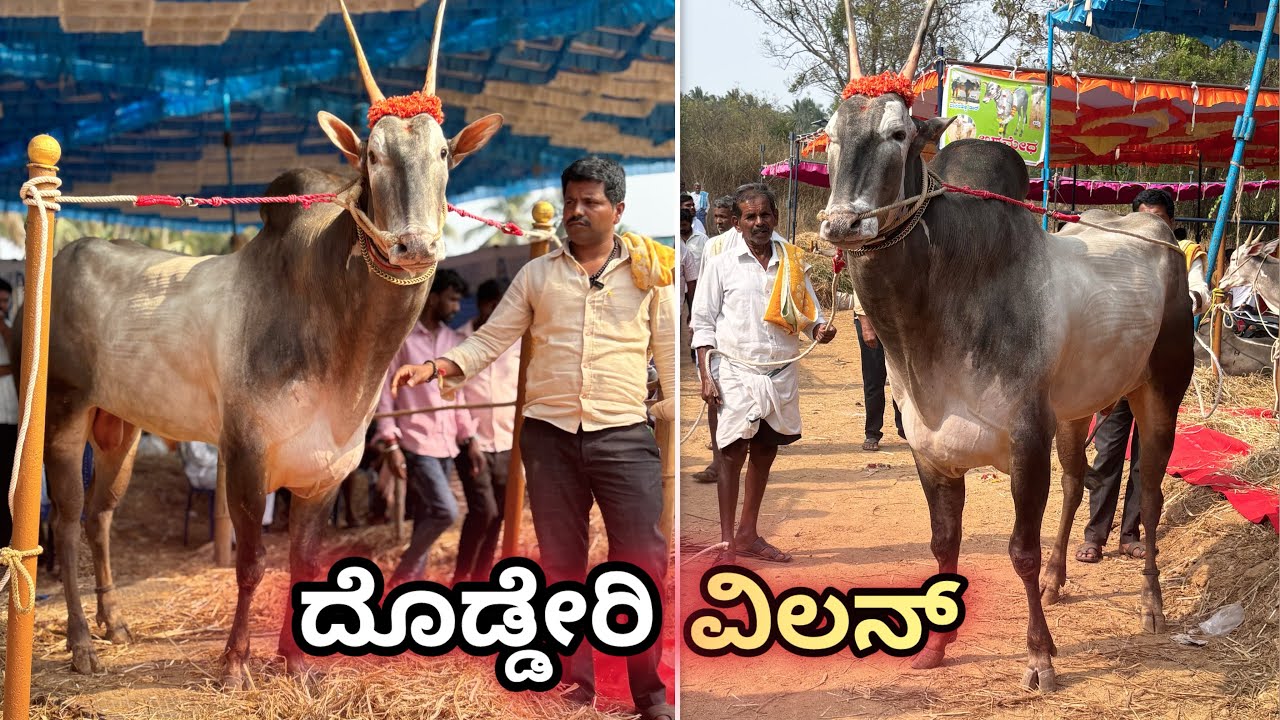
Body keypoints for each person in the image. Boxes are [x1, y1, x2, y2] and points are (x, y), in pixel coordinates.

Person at [391, 157, 675, 720]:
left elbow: (667, 357)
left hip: (623, 435)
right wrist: (439, 368)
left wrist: (668, 408)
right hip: (549, 440)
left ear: (618, 210)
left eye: (589, 202)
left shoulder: (651, 273)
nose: (574, 212)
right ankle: (578, 680)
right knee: (564, 563)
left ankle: (650, 692)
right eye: (569, 201)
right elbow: (490, 340)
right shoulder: (539, 275)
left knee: (642, 561)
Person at [691, 183, 836, 564]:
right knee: (731, 454)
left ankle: (748, 534)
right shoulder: (721, 262)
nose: (759, 222)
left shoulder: (791, 260)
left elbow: (809, 313)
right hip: (735, 371)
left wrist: (819, 330)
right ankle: (726, 544)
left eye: (765, 215)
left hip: (780, 371)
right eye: (750, 216)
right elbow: (702, 323)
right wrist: (707, 376)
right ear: (737, 223)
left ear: (775, 218)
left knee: (765, 452)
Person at [1076, 188, 1204, 564]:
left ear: (1171, 223)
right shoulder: (1119, 252)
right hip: (1119, 365)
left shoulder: (1184, 254)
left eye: (1158, 219)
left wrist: (1175, 303)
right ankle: (1095, 535)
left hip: (1161, 370)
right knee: (1107, 452)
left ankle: (1130, 534)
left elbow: (1201, 294)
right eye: (1143, 217)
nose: (1149, 226)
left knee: (1148, 457)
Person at [375, 269, 484, 587]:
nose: (456, 307)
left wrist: (469, 436)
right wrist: (391, 444)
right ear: (433, 297)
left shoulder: (452, 341)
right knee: (446, 511)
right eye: (451, 299)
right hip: (415, 441)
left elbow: (457, 393)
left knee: (427, 515)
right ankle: (401, 577)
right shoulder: (403, 338)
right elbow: (385, 392)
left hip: (447, 443)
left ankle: (411, 587)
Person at [452, 278, 520, 584]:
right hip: (473, 444)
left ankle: (479, 578)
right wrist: (470, 438)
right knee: (484, 511)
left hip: (508, 442)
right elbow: (453, 395)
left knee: (500, 514)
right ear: (487, 305)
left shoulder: (518, 342)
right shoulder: (458, 343)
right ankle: (461, 574)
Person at [853, 292, 904, 451]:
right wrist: (866, 326)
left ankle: (905, 428)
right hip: (871, 319)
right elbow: (859, 289)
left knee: (903, 376)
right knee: (874, 378)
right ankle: (872, 432)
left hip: (900, 317)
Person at [0, 279, 18, 547]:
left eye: (4, 302)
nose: (1, 307)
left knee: (8, 479)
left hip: (10, 413)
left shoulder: (12, 330)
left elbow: (17, 359)